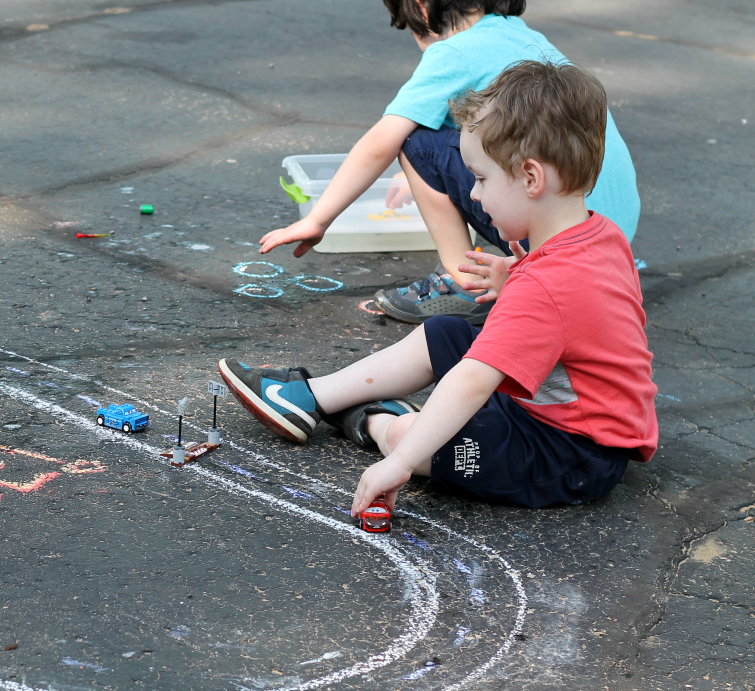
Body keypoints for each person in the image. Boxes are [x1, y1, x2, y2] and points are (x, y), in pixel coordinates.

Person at [220, 61, 657, 515]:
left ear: (531, 178)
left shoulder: (545, 286)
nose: (473, 195)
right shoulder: (599, 234)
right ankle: (310, 396)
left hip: (569, 452)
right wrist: (516, 276)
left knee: (415, 437)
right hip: (556, 412)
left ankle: (373, 421)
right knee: (446, 331)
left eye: (482, 179)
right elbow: (583, 312)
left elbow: (472, 380)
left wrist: (400, 463)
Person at [258, 0, 640, 326]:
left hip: (552, 239)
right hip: (606, 243)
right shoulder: (524, 37)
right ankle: (512, 274)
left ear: (420, 5)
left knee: (415, 140)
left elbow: (382, 141)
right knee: (445, 141)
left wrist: (318, 219)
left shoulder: (454, 53)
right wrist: (430, 177)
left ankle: (464, 282)